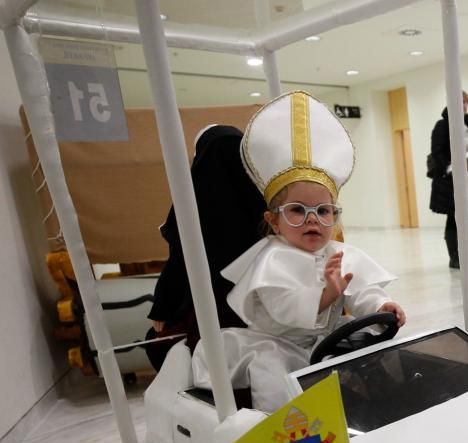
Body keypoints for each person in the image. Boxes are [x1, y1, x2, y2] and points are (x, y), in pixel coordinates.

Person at [192, 92, 406, 413]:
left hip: (326, 342)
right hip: (279, 343)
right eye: (297, 210)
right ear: (273, 220)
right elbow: (284, 308)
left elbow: (361, 290)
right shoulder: (271, 259)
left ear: (335, 216)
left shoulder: (341, 252)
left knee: (379, 355)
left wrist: (381, 304)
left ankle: (389, 407)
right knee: (271, 369)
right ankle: (283, 428)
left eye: (323, 211)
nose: (312, 220)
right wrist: (326, 294)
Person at [146, 124, 266, 369]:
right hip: (261, 307)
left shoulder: (192, 203)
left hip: (209, 313)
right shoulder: (267, 200)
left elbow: (180, 261)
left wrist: (162, 308)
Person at [429, 91, 468, 269]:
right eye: (461, 102)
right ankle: (455, 257)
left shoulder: (467, 125)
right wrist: (451, 172)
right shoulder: (443, 125)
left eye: (466, 102)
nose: (464, 105)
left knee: (464, 218)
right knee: (454, 218)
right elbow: (437, 151)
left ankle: (466, 255)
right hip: (449, 180)